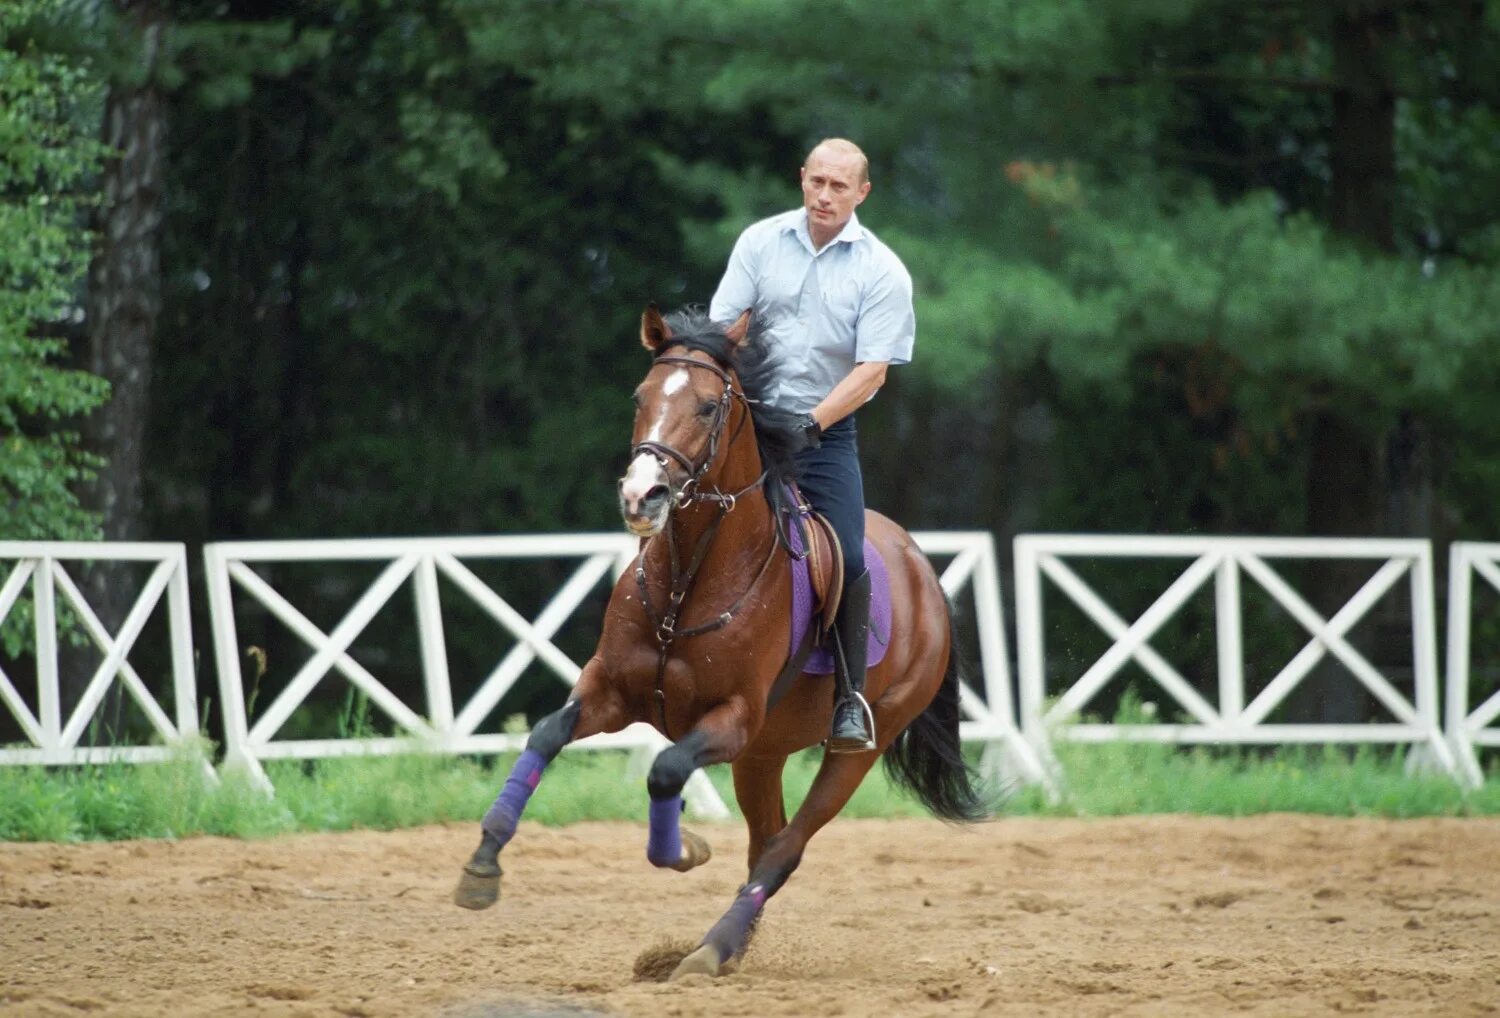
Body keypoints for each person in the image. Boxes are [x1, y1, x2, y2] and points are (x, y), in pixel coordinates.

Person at [709, 138, 915, 753]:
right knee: (682, 512)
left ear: (862, 193)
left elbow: (872, 371)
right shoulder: (758, 242)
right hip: (748, 421)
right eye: (817, 182)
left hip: (823, 434)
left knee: (848, 558)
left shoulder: (883, 271)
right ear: (802, 179)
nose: (825, 195)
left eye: (839, 186)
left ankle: (850, 700)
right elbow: (726, 329)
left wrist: (812, 425)